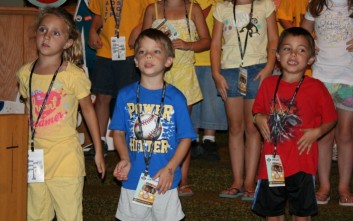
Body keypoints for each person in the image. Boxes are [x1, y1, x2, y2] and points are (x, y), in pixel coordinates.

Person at [16, 7, 105, 221]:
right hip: (35, 156)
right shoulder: (25, 73)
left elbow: (89, 111)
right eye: (43, 30)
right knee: (36, 214)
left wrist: (99, 150)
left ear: (67, 42)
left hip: (65, 157)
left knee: (69, 214)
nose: (47, 36)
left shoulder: (73, 76)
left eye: (56, 33)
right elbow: (28, 112)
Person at [110, 28, 197, 221]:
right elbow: (117, 132)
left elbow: (186, 138)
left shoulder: (176, 98)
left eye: (156, 51)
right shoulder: (125, 95)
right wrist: (124, 158)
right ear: (135, 61)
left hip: (164, 178)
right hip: (133, 178)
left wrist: (171, 168)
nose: (148, 55)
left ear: (168, 61)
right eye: (142, 51)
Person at [251, 27, 337, 221]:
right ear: (278, 55)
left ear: (311, 60)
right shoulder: (268, 84)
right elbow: (256, 110)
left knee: (302, 214)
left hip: (302, 163)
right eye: (287, 49)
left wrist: (317, 132)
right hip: (272, 162)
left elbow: (332, 119)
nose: (293, 54)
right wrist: (258, 117)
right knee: (272, 214)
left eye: (301, 50)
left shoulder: (316, 88)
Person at [210, 0, 278, 200]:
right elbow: (215, 43)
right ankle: (237, 180)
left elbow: (274, 39)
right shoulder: (221, 8)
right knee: (235, 127)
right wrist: (216, 74)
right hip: (230, 71)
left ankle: (250, 180)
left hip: (258, 69)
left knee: (252, 127)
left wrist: (269, 67)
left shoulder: (266, 5)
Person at [142, 0, 211, 196]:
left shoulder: (193, 9)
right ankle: (151, 173)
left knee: (182, 131)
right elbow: (142, 42)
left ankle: (182, 179)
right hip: (156, 75)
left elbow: (207, 40)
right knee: (153, 127)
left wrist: (188, 45)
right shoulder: (152, 9)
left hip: (183, 75)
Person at [86, 0, 154, 159]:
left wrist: (139, 30)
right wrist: (93, 30)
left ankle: (132, 139)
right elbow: (98, 15)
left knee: (129, 98)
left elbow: (152, 12)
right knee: (102, 96)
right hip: (105, 49)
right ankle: (100, 142)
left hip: (130, 50)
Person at [301, 0, 353, 206]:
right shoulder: (316, 6)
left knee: (346, 134)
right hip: (322, 77)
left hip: (348, 78)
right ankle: (323, 185)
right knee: (324, 135)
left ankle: (344, 186)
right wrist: (310, 43)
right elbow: (302, 35)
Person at [190, 0, 228, 162]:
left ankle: (209, 140)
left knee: (213, 101)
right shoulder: (186, 4)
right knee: (191, 100)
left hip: (212, 60)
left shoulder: (218, 4)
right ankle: (192, 140)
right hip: (188, 59)